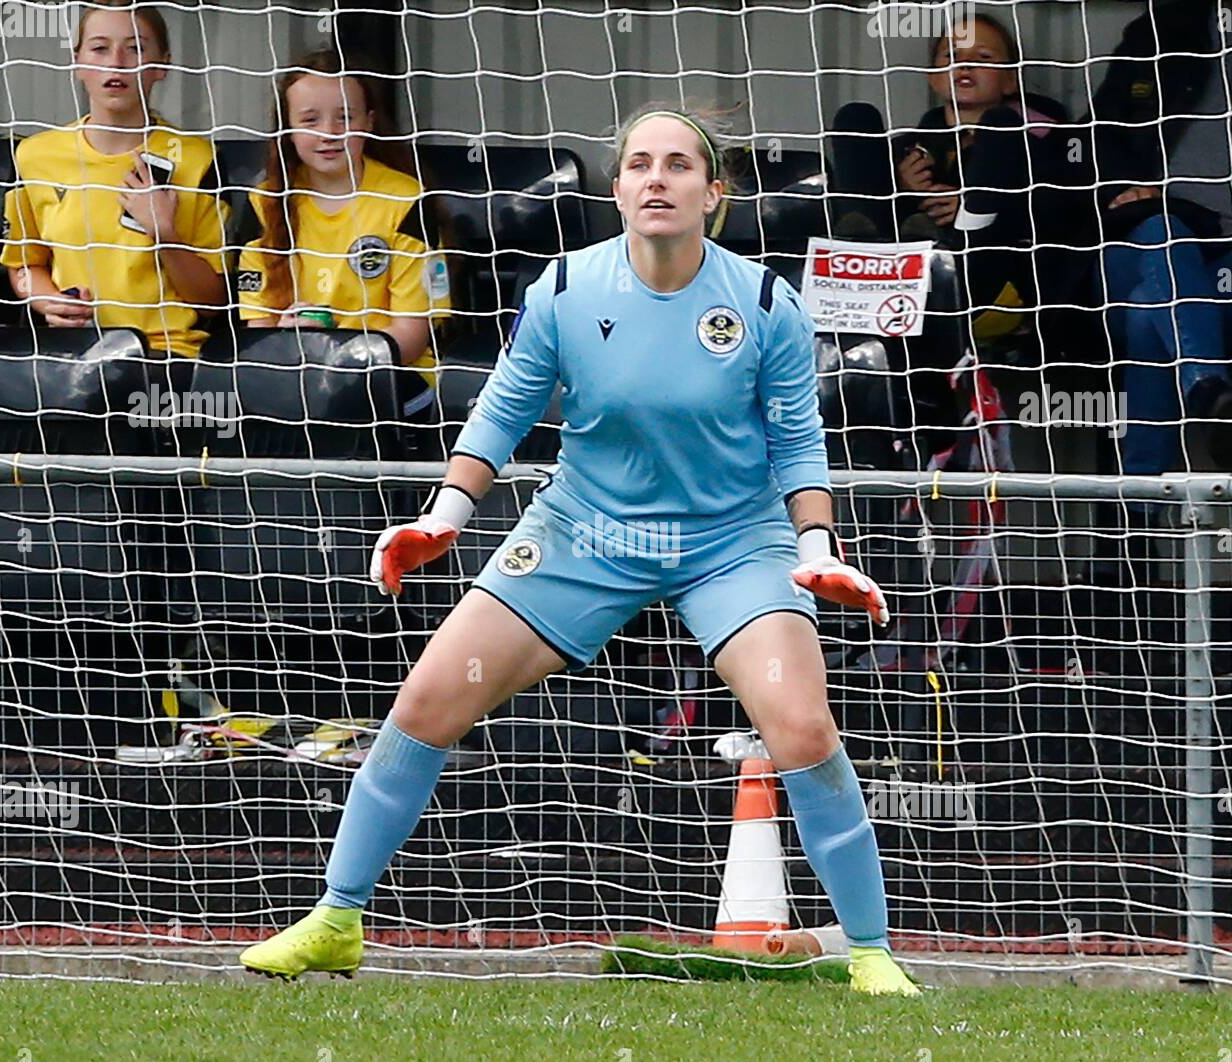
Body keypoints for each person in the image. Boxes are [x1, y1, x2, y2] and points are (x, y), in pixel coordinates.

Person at [240, 104, 920, 996]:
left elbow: (798, 444)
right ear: (617, 188)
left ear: (712, 194)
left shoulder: (763, 303)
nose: (657, 178)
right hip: (585, 529)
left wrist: (818, 542)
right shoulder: (563, 287)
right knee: (426, 703)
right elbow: (503, 409)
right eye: (640, 163)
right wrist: (444, 514)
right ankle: (335, 918)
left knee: (800, 728)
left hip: (732, 542)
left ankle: (870, 951)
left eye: (679, 165)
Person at [1, 0, 228, 395]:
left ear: (162, 65)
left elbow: (213, 301)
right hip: (70, 359)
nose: (117, 63)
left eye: (136, 48)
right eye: (100, 48)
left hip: (164, 361)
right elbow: (25, 265)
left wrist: (165, 235)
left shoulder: (197, 160)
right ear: (77, 62)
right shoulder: (34, 156)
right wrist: (49, 301)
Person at [1090, 0, 1232, 479]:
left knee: (1145, 314)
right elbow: (1096, 137)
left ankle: (1135, 516)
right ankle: (1209, 388)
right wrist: (1124, 188)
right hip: (1141, 241)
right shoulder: (1156, 32)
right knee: (1161, 233)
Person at [829, 13, 1090, 342]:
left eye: (983, 58)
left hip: (986, 288)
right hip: (890, 286)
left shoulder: (1046, 143)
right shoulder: (906, 151)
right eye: (952, 57)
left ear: (1011, 80)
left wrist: (974, 204)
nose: (965, 66)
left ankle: (960, 236)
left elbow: (1066, 212)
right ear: (933, 77)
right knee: (856, 116)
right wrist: (900, 187)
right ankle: (860, 251)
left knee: (1000, 123)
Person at [235, 50, 450, 406]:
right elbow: (257, 332)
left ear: (368, 121)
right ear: (287, 129)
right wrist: (285, 339)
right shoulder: (265, 203)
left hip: (387, 371)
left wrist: (336, 355)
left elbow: (412, 337)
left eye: (344, 118)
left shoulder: (407, 200)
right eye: (310, 120)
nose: (329, 133)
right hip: (290, 368)